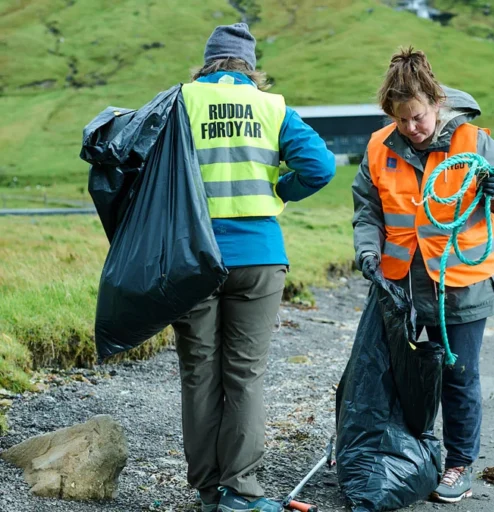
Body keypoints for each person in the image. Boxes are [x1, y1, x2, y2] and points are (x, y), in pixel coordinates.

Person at [172, 23, 335, 512]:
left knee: (199, 374)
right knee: (244, 376)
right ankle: (239, 493)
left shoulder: (179, 101)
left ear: (206, 63)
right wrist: (279, 191)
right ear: (249, 66)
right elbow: (320, 167)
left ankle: (206, 489)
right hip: (259, 257)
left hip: (192, 259)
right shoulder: (272, 106)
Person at [351, 46, 494, 504]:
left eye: (419, 118)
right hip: (401, 284)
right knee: (396, 373)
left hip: (463, 287)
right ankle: (401, 453)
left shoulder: (475, 142)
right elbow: (367, 212)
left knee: (458, 375)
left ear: (437, 103)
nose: (412, 129)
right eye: (402, 120)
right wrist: (366, 252)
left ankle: (459, 465)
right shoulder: (377, 146)